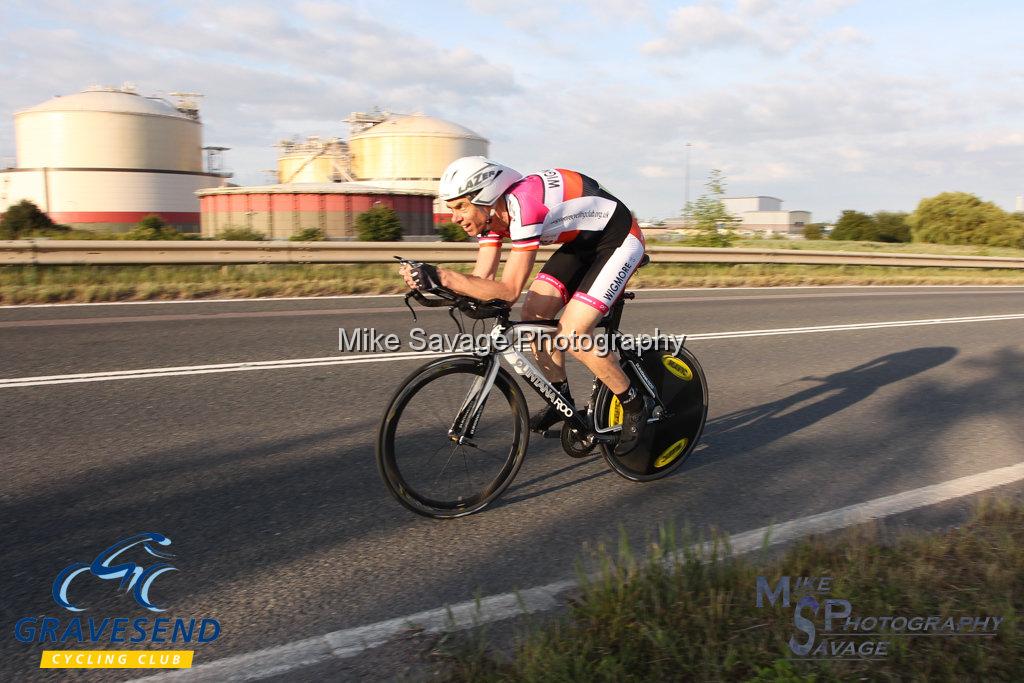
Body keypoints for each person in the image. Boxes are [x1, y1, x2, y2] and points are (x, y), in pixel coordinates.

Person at [399, 156, 648, 455]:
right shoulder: (491, 220)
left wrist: (443, 275)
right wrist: (438, 285)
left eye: (460, 206)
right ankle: (561, 400)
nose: (454, 217)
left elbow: (507, 291)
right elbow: (483, 280)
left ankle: (635, 404)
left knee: (572, 334)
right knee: (535, 317)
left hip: (618, 238)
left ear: (484, 197)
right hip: (582, 242)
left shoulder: (523, 205)